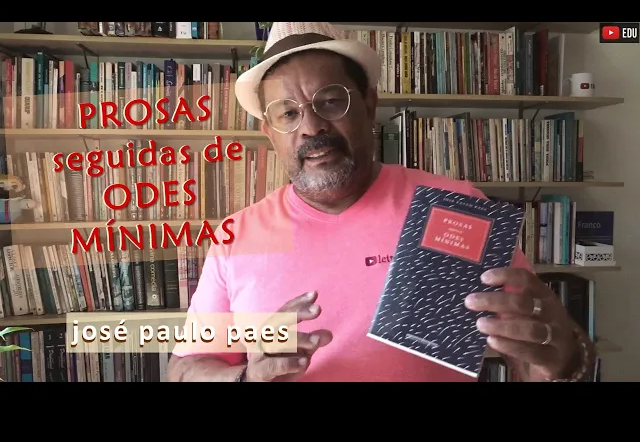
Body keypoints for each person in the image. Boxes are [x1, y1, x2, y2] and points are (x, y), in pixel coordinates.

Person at [167, 22, 596, 382]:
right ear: (269, 133)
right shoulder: (236, 236)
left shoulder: (455, 208)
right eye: (288, 113)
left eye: (330, 101)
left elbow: (531, 354)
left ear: (369, 104)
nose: (311, 126)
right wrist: (245, 377)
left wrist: (563, 359)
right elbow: (184, 368)